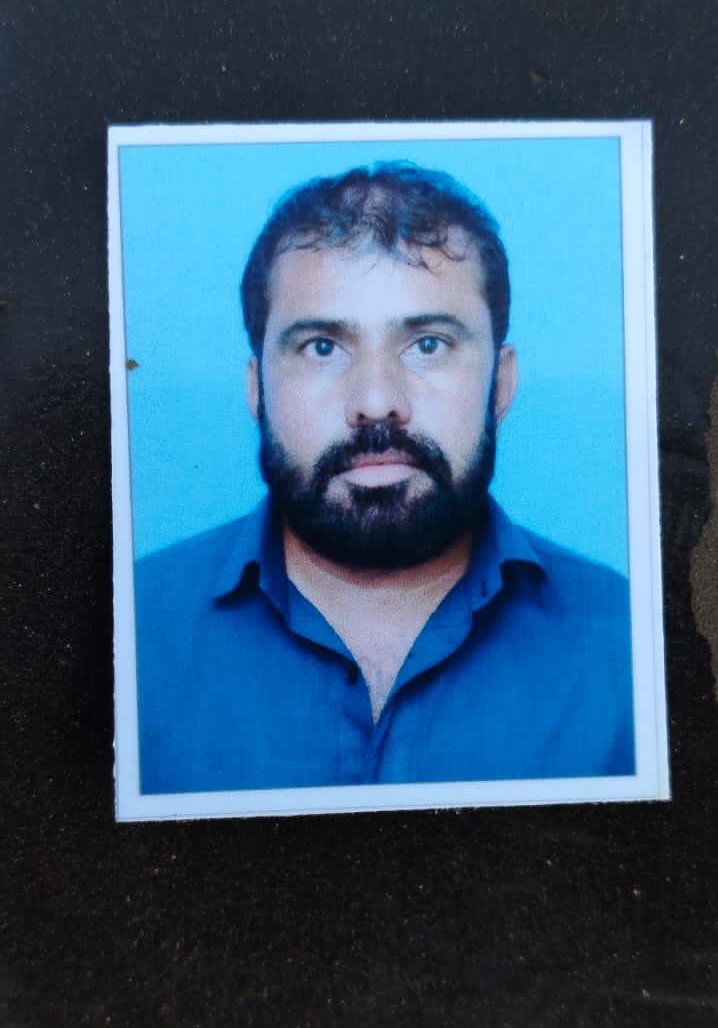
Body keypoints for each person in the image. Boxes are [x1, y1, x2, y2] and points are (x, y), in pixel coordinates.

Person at [134, 162, 634, 794]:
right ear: (257, 389)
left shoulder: (633, 644)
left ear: (501, 384)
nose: (376, 402)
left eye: (428, 344)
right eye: (322, 347)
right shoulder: (128, 633)